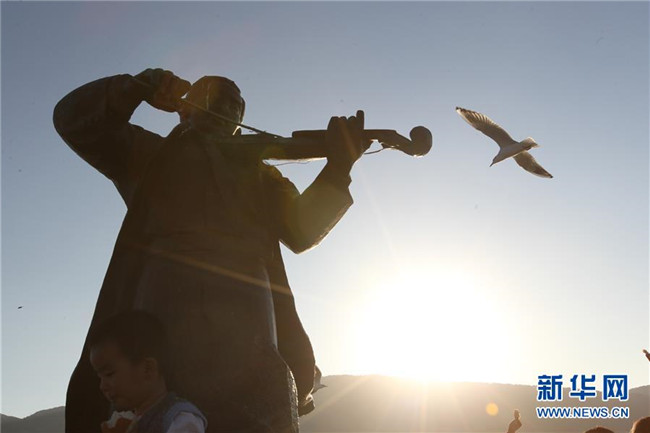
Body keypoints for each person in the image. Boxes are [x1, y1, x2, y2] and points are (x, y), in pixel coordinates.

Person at [53, 68, 370, 433]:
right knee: (163, 390)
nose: (226, 110)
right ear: (184, 109)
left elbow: (303, 230)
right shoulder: (150, 153)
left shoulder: (261, 176)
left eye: (234, 106)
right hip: (165, 288)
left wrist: (338, 168)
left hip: (248, 294)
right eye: (214, 100)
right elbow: (74, 122)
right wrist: (134, 87)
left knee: (256, 402)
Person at [89, 310, 206, 433]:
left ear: (148, 369)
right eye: (100, 377)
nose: (102, 386)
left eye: (109, 374)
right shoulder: (129, 420)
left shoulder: (180, 419)